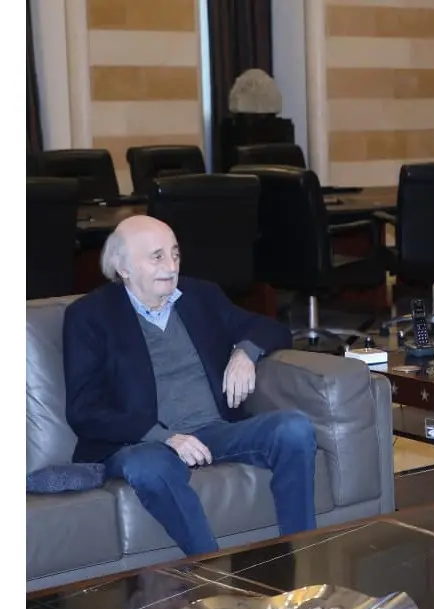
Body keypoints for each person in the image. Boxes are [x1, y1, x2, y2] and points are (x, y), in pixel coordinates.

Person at [63, 215, 317, 557]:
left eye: (175, 254)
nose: (171, 267)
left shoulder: (200, 296)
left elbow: (270, 328)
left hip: (213, 431)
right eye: (157, 257)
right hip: (142, 442)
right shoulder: (89, 316)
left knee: (293, 428)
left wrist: (245, 352)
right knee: (149, 467)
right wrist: (164, 436)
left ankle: (301, 554)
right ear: (124, 268)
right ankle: (212, 571)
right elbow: (84, 410)